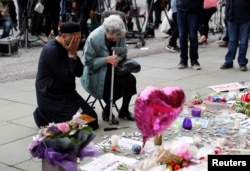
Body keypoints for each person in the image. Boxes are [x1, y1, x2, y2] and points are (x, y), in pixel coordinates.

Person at [33, 21, 99, 130]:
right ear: (64, 36)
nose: (77, 42)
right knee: (83, 123)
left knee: (92, 119)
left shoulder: (69, 47)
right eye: (75, 38)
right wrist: (71, 54)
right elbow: (67, 77)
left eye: (79, 38)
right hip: (52, 97)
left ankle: (51, 115)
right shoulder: (52, 50)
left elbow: (79, 72)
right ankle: (42, 115)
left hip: (68, 93)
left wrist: (74, 54)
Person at [80, 15, 136, 124]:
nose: (115, 39)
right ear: (106, 31)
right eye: (113, 37)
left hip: (114, 68)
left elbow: (123, 53)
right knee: (112, 84)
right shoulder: (93, 38)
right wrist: (106, 60)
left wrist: (116, 59)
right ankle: (107, 111)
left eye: (118, 36)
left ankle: (124, 110)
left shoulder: (119, 34)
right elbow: (87, 62)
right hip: (96, 73)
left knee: (130, 80)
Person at [220, 0, 250, 71]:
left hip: (245, 18)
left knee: (243, 42)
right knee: (232, 40)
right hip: (232, 18)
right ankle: (229, 61)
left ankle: (242, 62)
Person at [176, 0, 204, 70]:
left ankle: (194, 60)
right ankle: (183, 60)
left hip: (194, 10)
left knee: (193, 36)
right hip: (181, 9)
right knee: (182, 36)